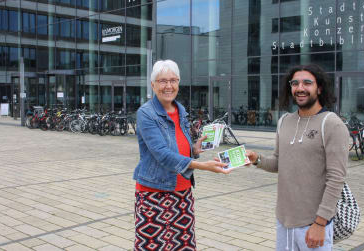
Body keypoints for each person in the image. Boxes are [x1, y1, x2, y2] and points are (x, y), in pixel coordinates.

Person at [247, 64, 349, 250]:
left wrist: (320, 223)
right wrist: (257, 159)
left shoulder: (332, 124)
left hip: (314, 223)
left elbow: (336, 178)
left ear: (319, 88)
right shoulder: (285, 121)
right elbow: (279, 162)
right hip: (283, 220)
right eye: (295, 83)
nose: (300, 88)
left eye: (307, 83)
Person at [133, 59, 230, 251]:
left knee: (183, 246)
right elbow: (162, 154)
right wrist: (203, 166)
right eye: (162, 81)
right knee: (153, 247)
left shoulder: (180, 110)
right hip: (154, 193)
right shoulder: (146, 114)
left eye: (173, 80)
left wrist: (194, 149)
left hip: (182, 193)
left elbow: (177, 146)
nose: (168, 86)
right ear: (153, 85)